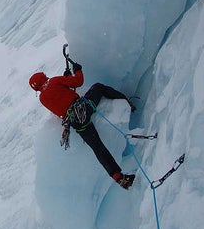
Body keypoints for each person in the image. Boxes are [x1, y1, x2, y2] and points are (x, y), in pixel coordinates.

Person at [29, 61, 136, 189]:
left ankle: (118, 177)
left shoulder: (42, 98)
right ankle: (127, 102)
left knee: (98, 148)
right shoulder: (53, 81)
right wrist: (77, 70)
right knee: (98, 87)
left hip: (76, 122)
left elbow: (59, 99)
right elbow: (78, 82)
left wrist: (66, 79)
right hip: (84, 108)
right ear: (44, 77)